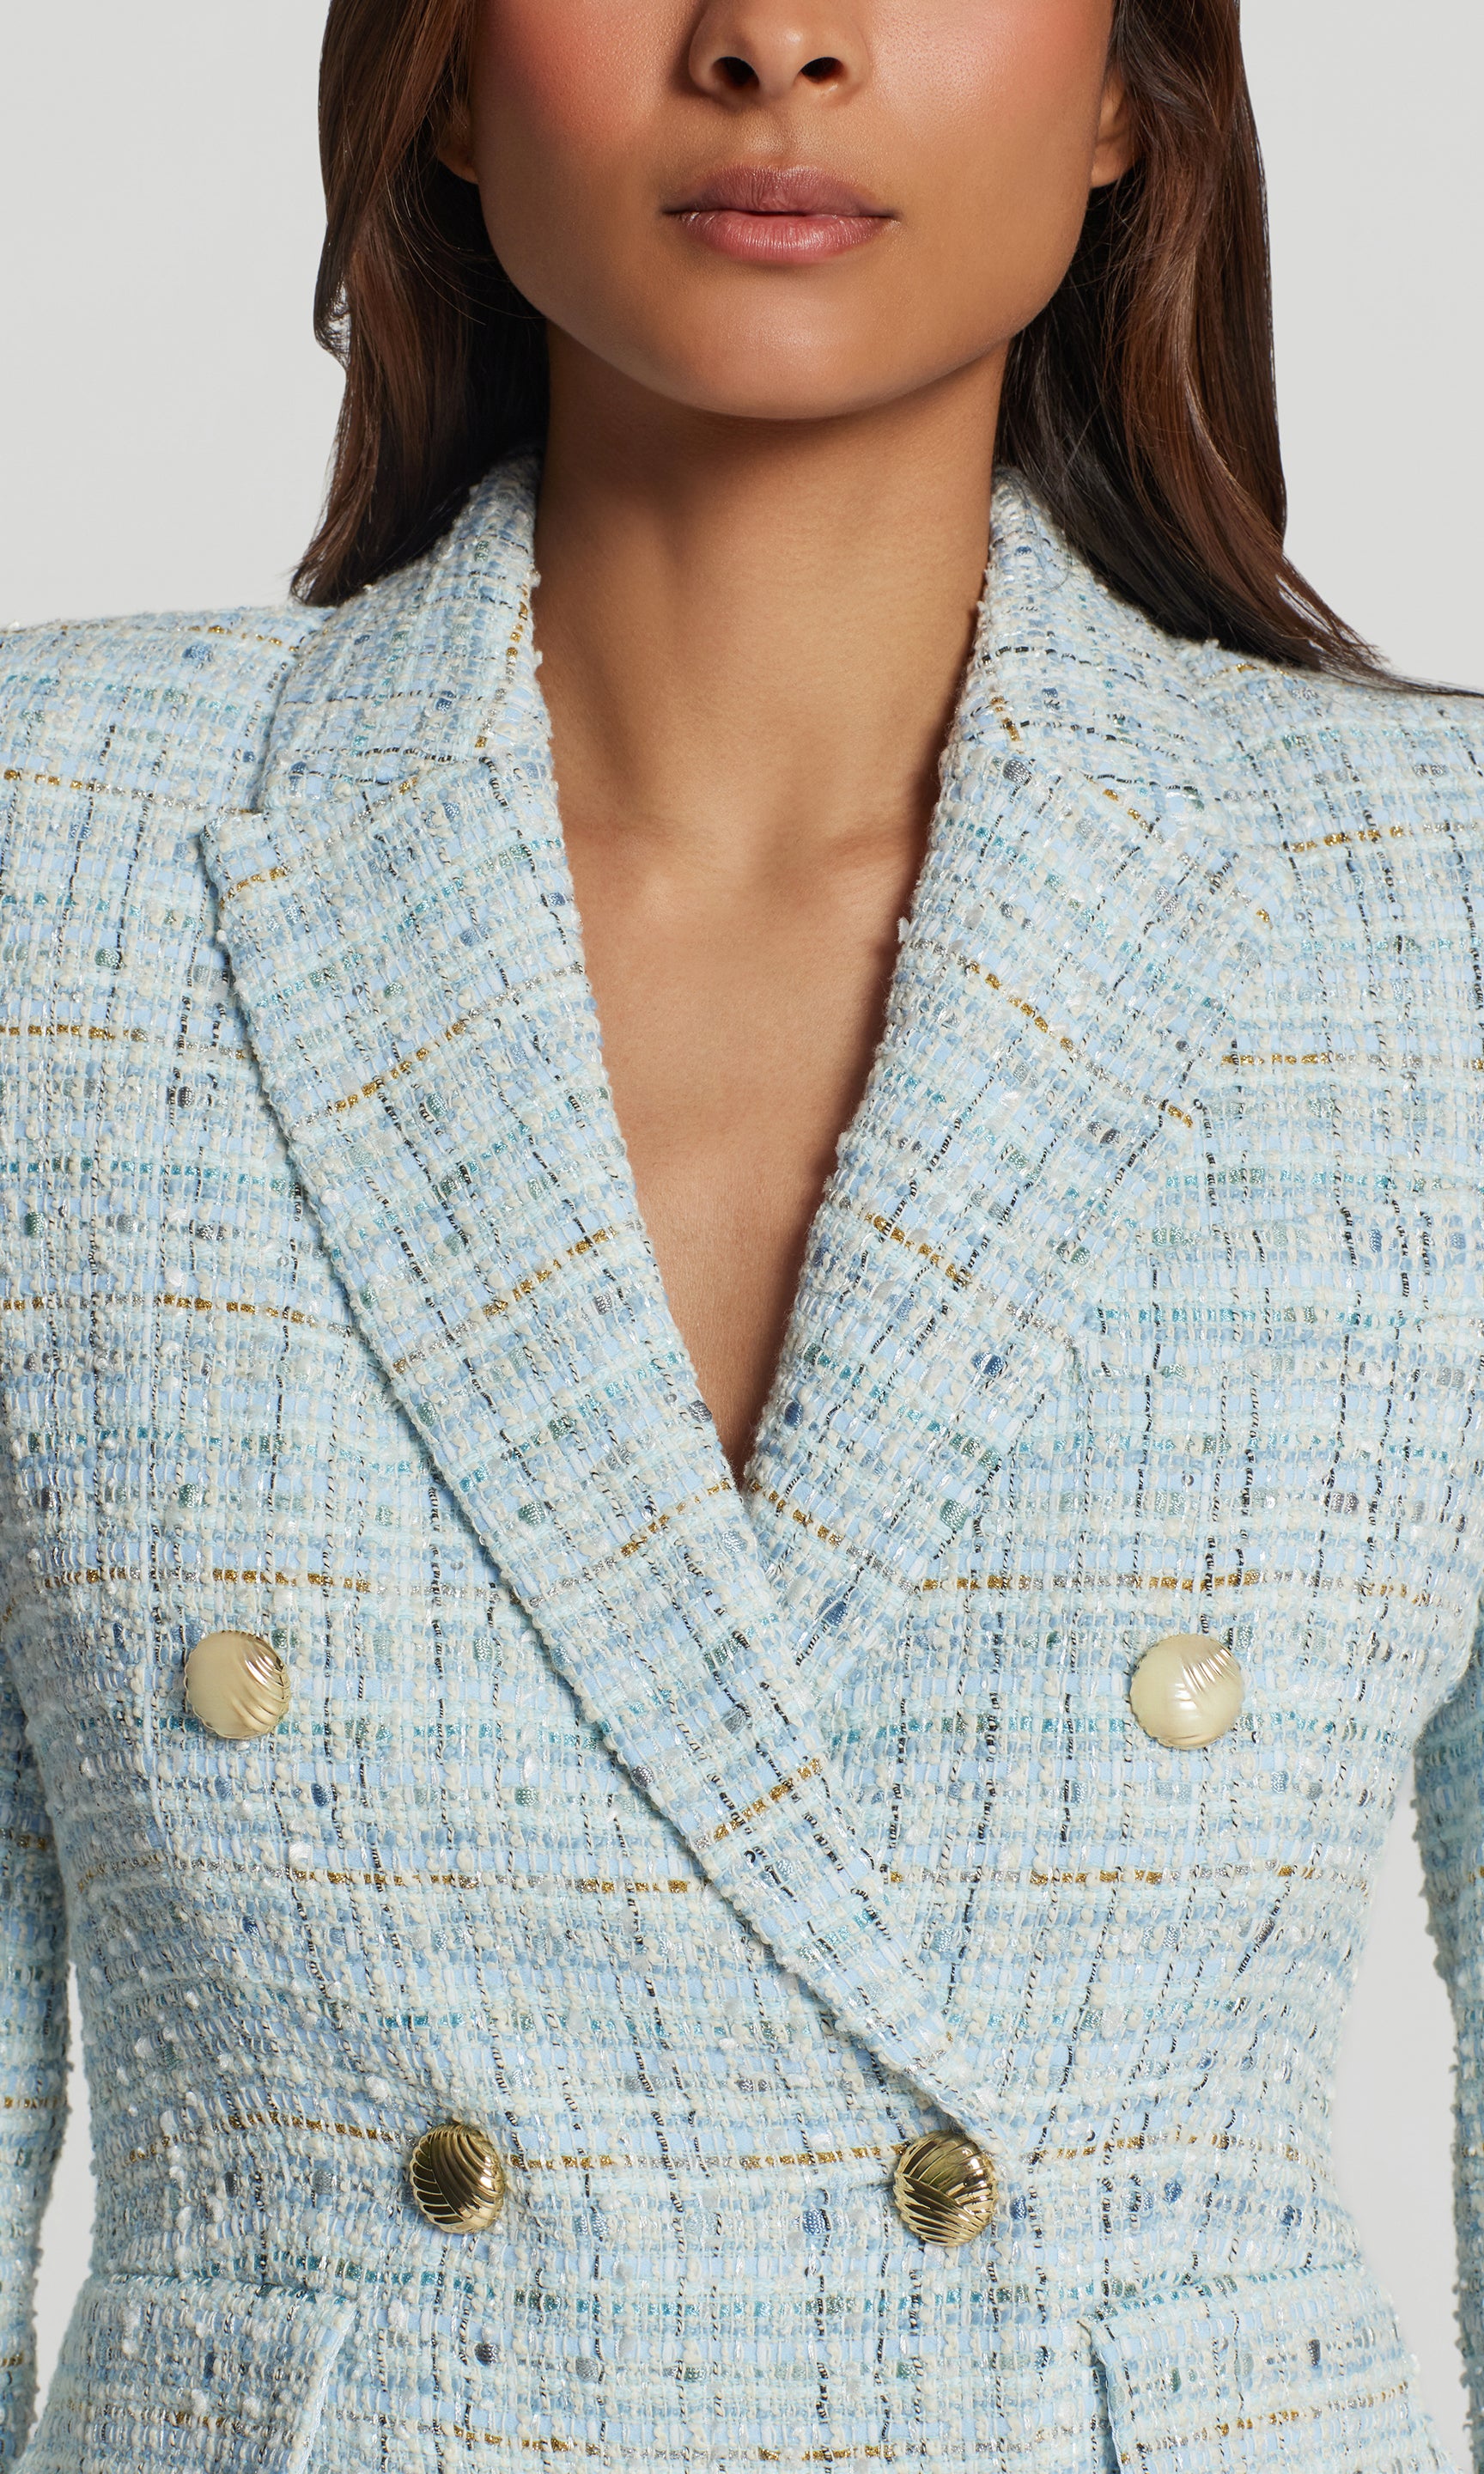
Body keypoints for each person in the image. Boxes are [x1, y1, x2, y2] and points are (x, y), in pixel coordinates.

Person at [3, 0, 1481, 2467]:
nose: (778, 38)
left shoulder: (1433, 918)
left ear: (1133, 88)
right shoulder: (54, 861)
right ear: (448, 72)